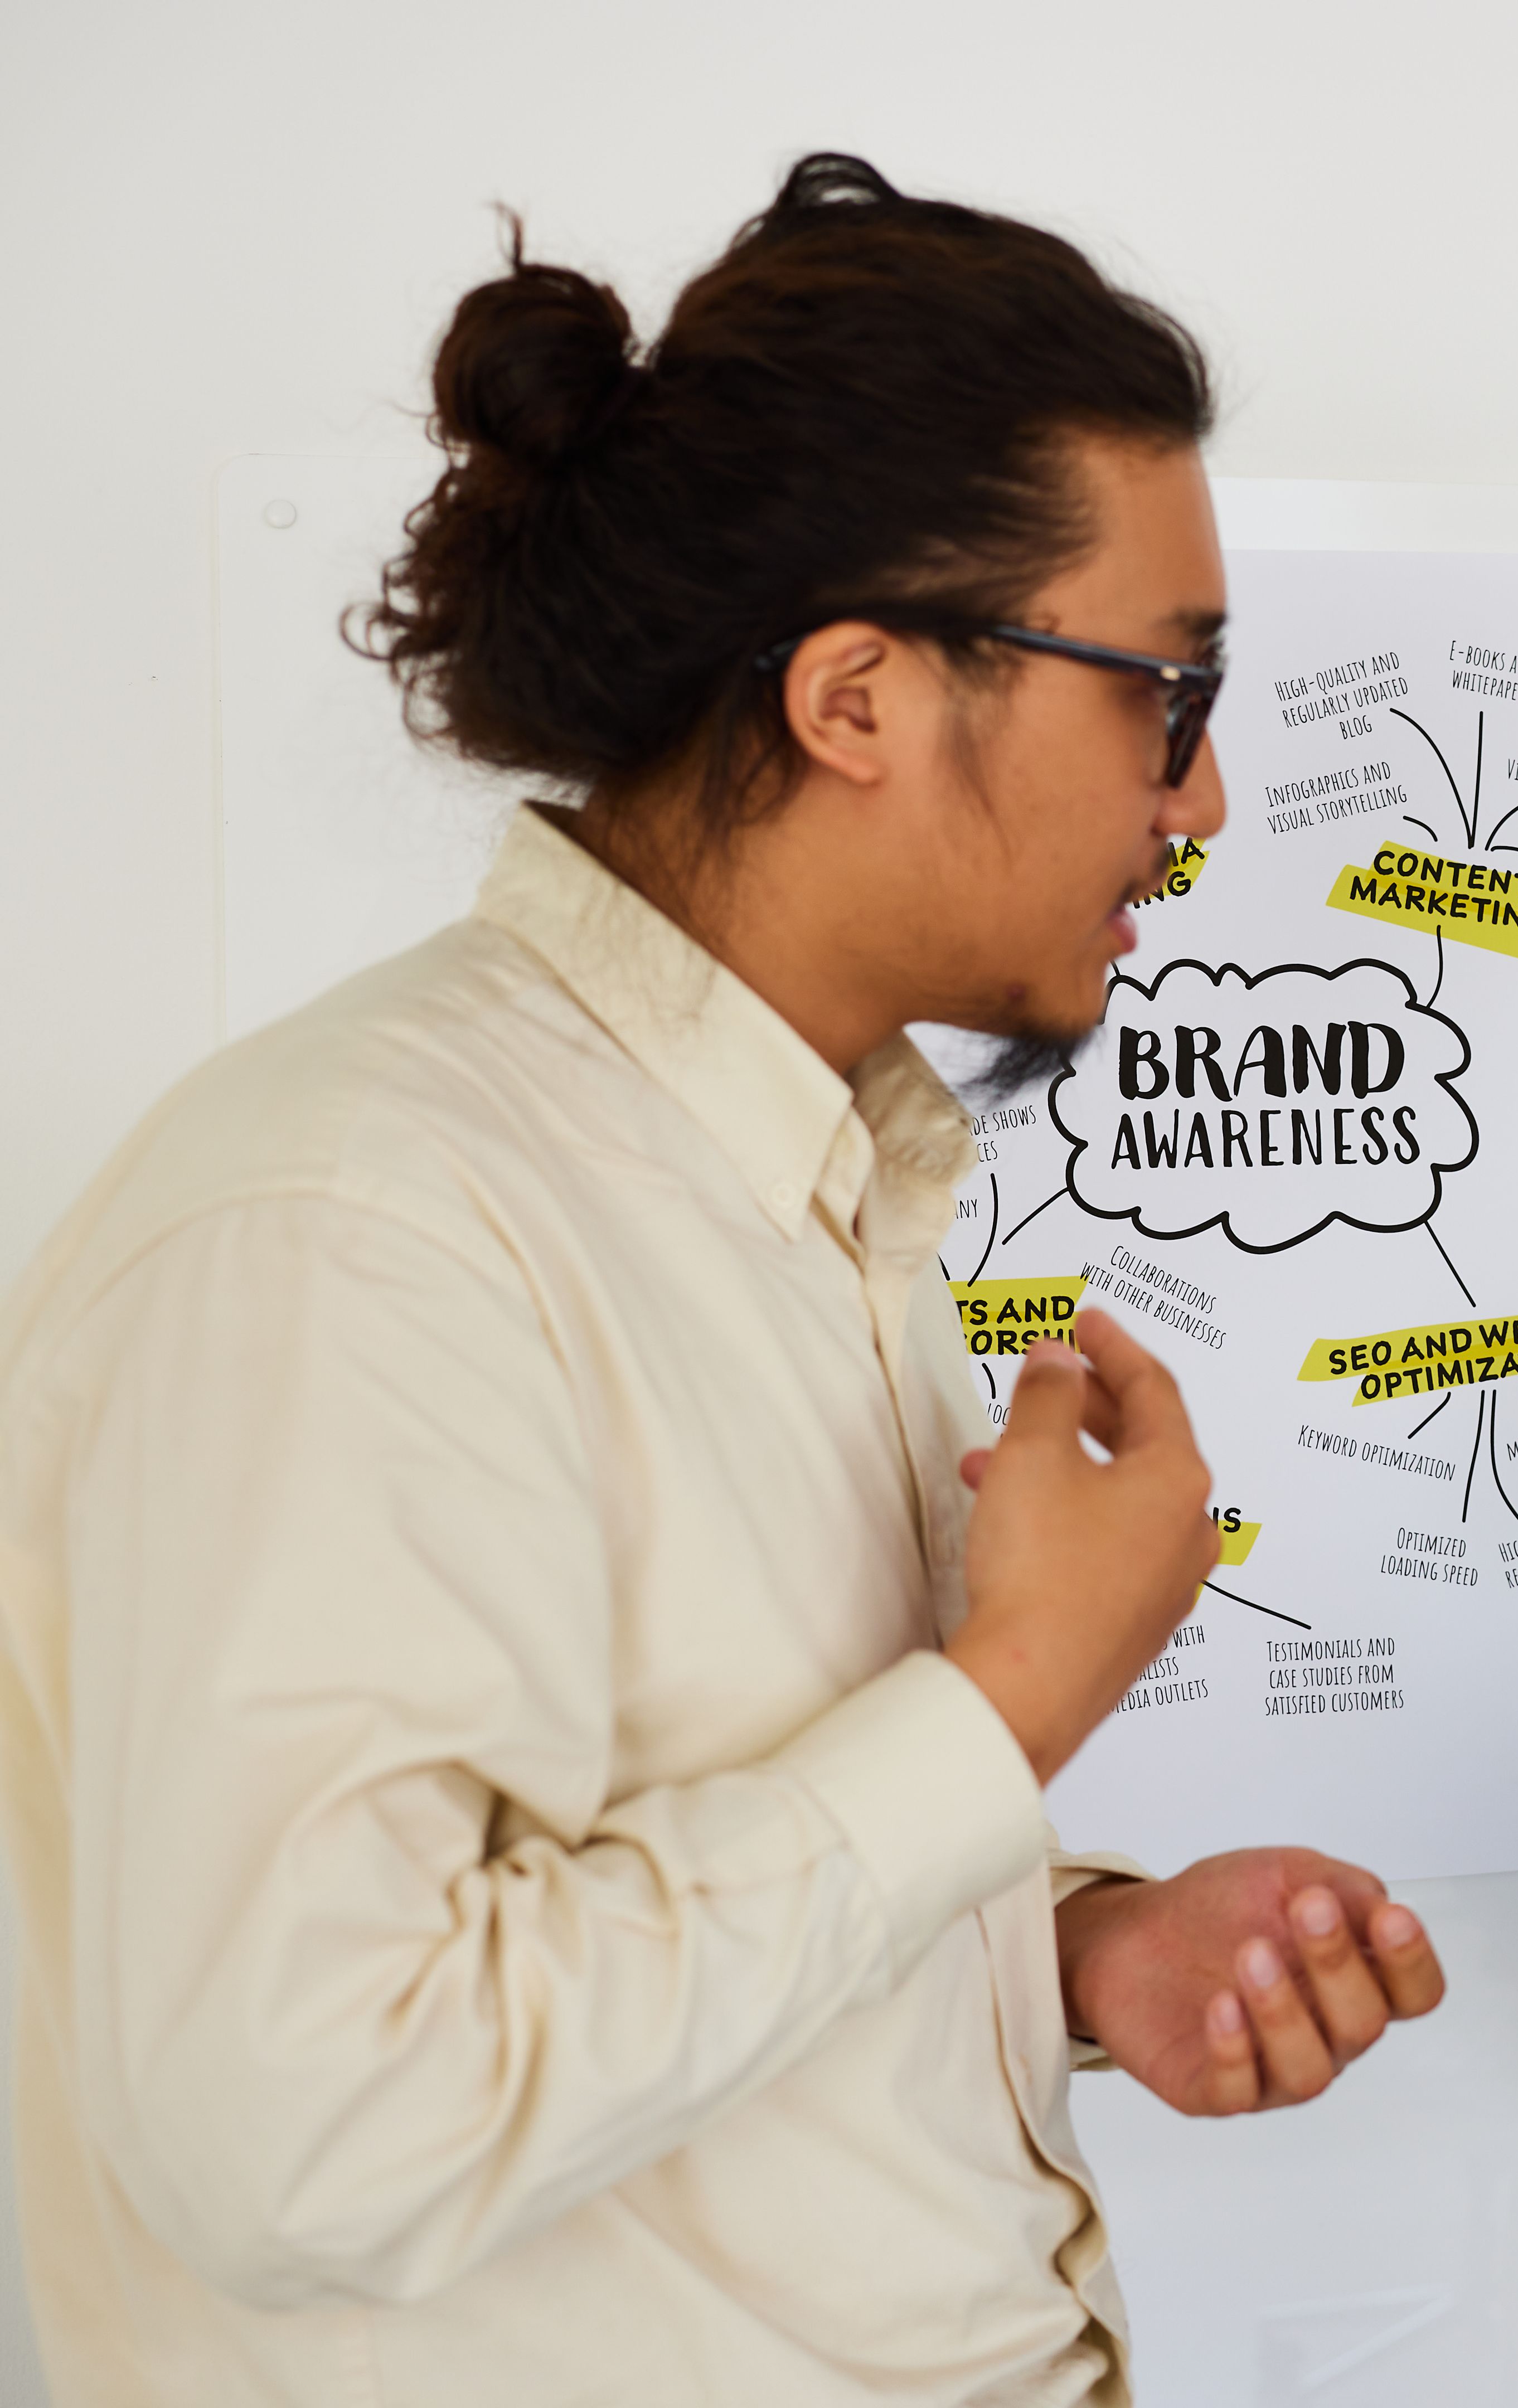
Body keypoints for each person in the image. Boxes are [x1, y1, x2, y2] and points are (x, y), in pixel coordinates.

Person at [0, 156, 1442, 2405]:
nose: (1207, 802)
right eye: (1164, 695)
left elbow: (679, 1885)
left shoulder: (796, 1180)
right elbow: (308, 2138)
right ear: (858, 694)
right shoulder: (355, 1231)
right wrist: (1012, 1698)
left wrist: (1069, 1947)